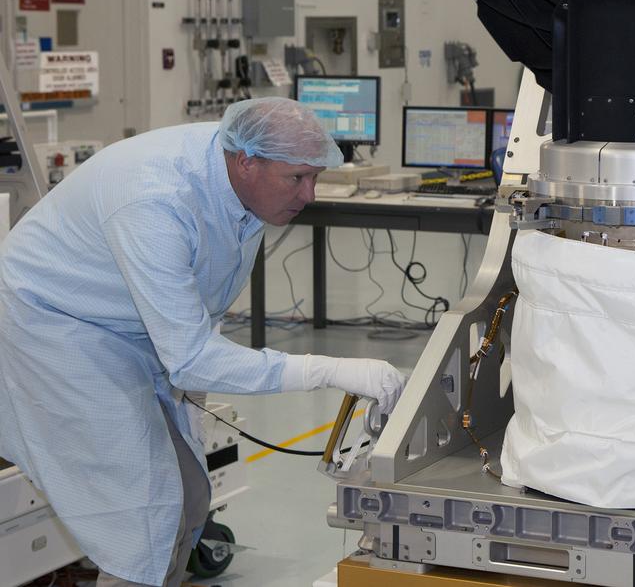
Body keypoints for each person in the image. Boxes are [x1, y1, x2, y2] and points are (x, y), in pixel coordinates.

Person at [0, 98, 410, 587]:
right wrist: (324, 370)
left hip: (131, 327)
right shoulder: (157, 200)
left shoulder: (242, 175)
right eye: (297, 178)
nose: (310, 194)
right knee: (142, 514)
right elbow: (191, 356)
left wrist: (194, 369)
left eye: (315, 177)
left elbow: (199, 315)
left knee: (191, 494)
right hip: (57, 326)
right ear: (247, 162)